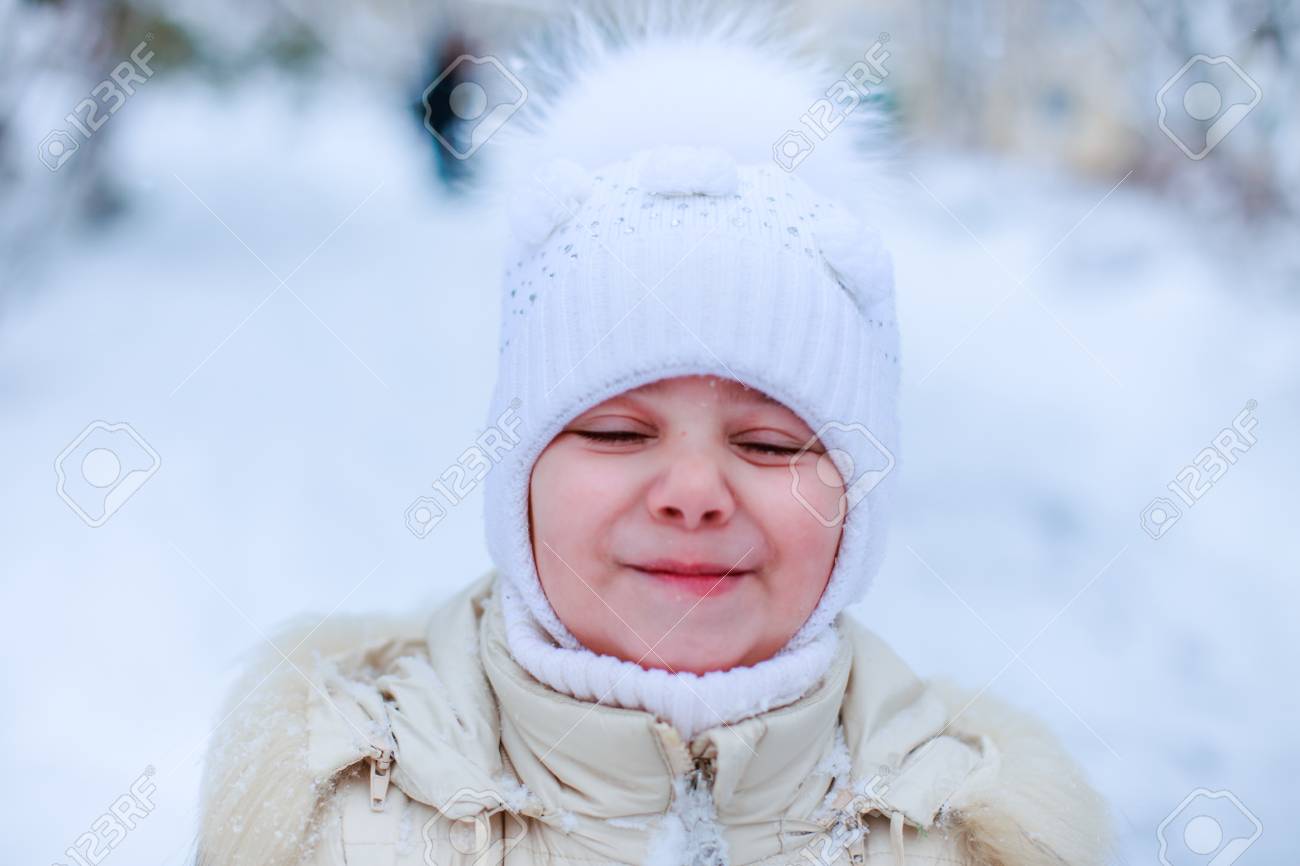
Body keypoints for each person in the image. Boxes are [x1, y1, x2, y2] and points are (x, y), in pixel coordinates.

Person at [195, 8, 1112, 866]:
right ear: (518, 478)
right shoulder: (337, 812)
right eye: (617, 430)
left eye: (768, 445)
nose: (694, 490)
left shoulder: (972, 833)